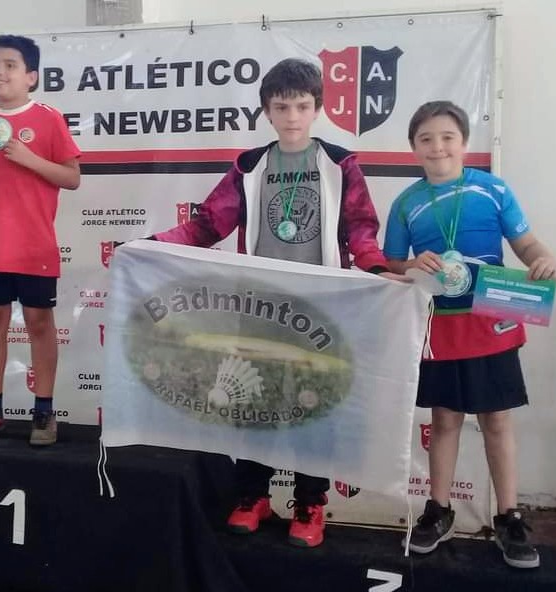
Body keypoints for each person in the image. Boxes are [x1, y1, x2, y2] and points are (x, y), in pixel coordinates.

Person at [151, 58, 404, 547]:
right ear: (267, 110)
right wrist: (152, 244)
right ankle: (253, 495)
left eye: (302, 106)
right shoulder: (249, 166)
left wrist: (377, 269)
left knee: (315, 403)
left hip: (322, 309)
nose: (292, 116)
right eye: (282, 107)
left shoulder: (340, 164)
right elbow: (208, 224)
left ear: (317, 108)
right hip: (260, 308)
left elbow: (361, 229)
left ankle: (310, 502)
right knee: (255, 400)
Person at [383, 100, 556, 569]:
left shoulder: (493, 189)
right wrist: (410, 264)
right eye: (426, 139)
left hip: (492, 319)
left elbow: (526, 243)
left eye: (447, 137)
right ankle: (438, 510)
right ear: (413, 148)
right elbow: (393, 263)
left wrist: (542, 259)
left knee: (497, 421)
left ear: (463, 142)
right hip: (439, 326)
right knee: (444, 421)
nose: (437, 146)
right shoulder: (406, 203)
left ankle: (509, 516)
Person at [0, 34, 80, 446]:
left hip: (33, 246)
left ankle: (44, 412)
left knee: (39, 323)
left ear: (31, 76)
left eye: (10, 65)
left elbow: (72, 178)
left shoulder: (49, 119)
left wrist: (29, 159)